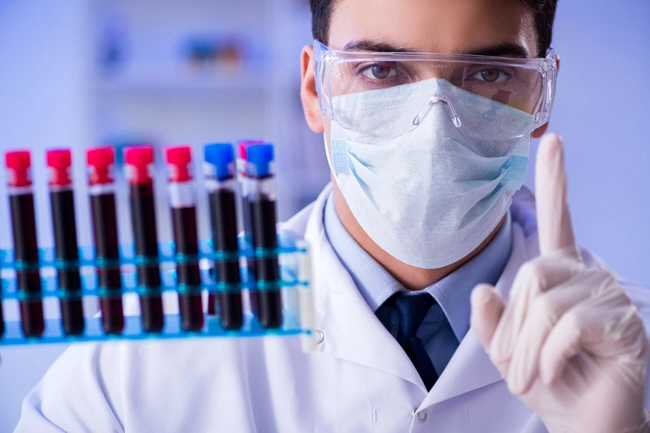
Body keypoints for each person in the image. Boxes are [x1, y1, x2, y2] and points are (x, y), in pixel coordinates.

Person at [15, 0, 650, 432]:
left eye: (488, 72)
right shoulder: (147, 348)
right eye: (381, 69)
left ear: (542, 95)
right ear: (315, 88)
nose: (432, 125)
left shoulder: (631, 356)